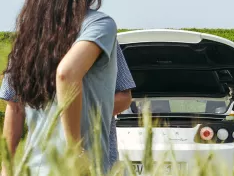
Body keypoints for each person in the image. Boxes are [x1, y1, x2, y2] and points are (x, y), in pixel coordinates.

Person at [0, 0, 121, 174]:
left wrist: (5, 168)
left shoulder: (29, 36)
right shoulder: (99, 25)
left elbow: (13, 107)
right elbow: (66, 74)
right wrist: (75, 151)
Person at [0, 44, 136, 168]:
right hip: (41, 165)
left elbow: (124, 97)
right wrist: (6, 167)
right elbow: (14, 106)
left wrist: (72, 117)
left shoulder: (99, 37)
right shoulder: (26, 39)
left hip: (94, 164)